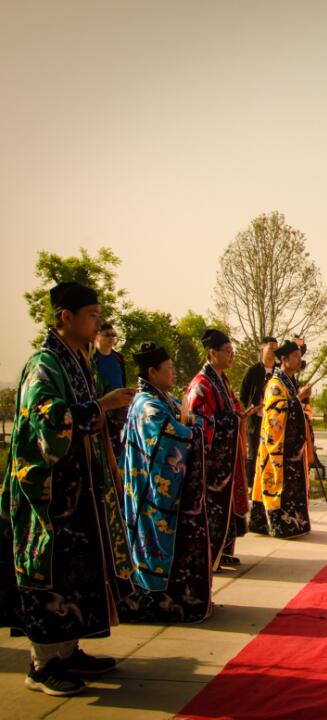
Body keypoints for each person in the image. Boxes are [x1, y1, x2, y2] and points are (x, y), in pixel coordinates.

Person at [0, 282, 136, 696]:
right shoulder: (44, 364)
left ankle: (68, 650)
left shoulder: (79, 361)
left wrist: (100, 412)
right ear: (66, 316)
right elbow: (49, 423)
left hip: (79, 493)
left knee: (76, 571)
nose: (98, 321)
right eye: (92, 314)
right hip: (47, 496)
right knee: (47, 572)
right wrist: (102, 406)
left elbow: (85, 420)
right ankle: (42, 665)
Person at [117, 342, 212, 623]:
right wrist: (193, 431)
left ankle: (174, 597)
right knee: (153, 542)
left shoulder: (163, 399)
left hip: (162, 490)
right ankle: (153, 601)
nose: (173, 373)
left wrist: (192, 426)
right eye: (168, 369)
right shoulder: (147, 405)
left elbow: (187, 421)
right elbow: (172, 436)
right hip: (150, 492)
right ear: (152, 371)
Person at [186, 329, 248, 569]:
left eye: (233, 352)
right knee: (212, 509)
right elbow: (200, 422)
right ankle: (210, 558)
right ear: (212, 353)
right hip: (212, 465)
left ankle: (221, 552)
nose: (231, 356)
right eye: (227, 352)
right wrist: (231, 421)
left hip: (226, 463)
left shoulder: (221, 380)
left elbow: (230, 409)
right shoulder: (201, 384)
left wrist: (238, 415)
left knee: (226, 507)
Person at [251, 340, 314, 538]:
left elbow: (293, 407)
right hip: (278, 449)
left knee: (291, 488)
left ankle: (293, 524)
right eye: (295, 357)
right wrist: (298, 399)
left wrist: (299, 401)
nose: (299, 361)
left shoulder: (287, 381)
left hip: (291, 449)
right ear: (284, 360)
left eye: (299, 357)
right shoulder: (276, 385)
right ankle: (278, 525)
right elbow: (275, 417)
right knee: (278, 486)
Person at [240, 337, 278, 532]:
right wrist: (251, 409)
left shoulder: (279, 373)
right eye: (271, 349)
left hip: (274, 426)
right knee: (254, 457)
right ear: (262, 350)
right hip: (256, 422)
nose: (273, 353)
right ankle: (253, 495)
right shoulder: (253, 371)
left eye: (276, 350)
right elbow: (243, 396)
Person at [93, 321, 128, 456]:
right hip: (102, 408)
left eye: (113, 335)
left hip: (120, 409)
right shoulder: (92, 358)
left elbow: (122, 381)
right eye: (107, 335)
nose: (111, 338)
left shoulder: (118, 358)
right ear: (97, 336)